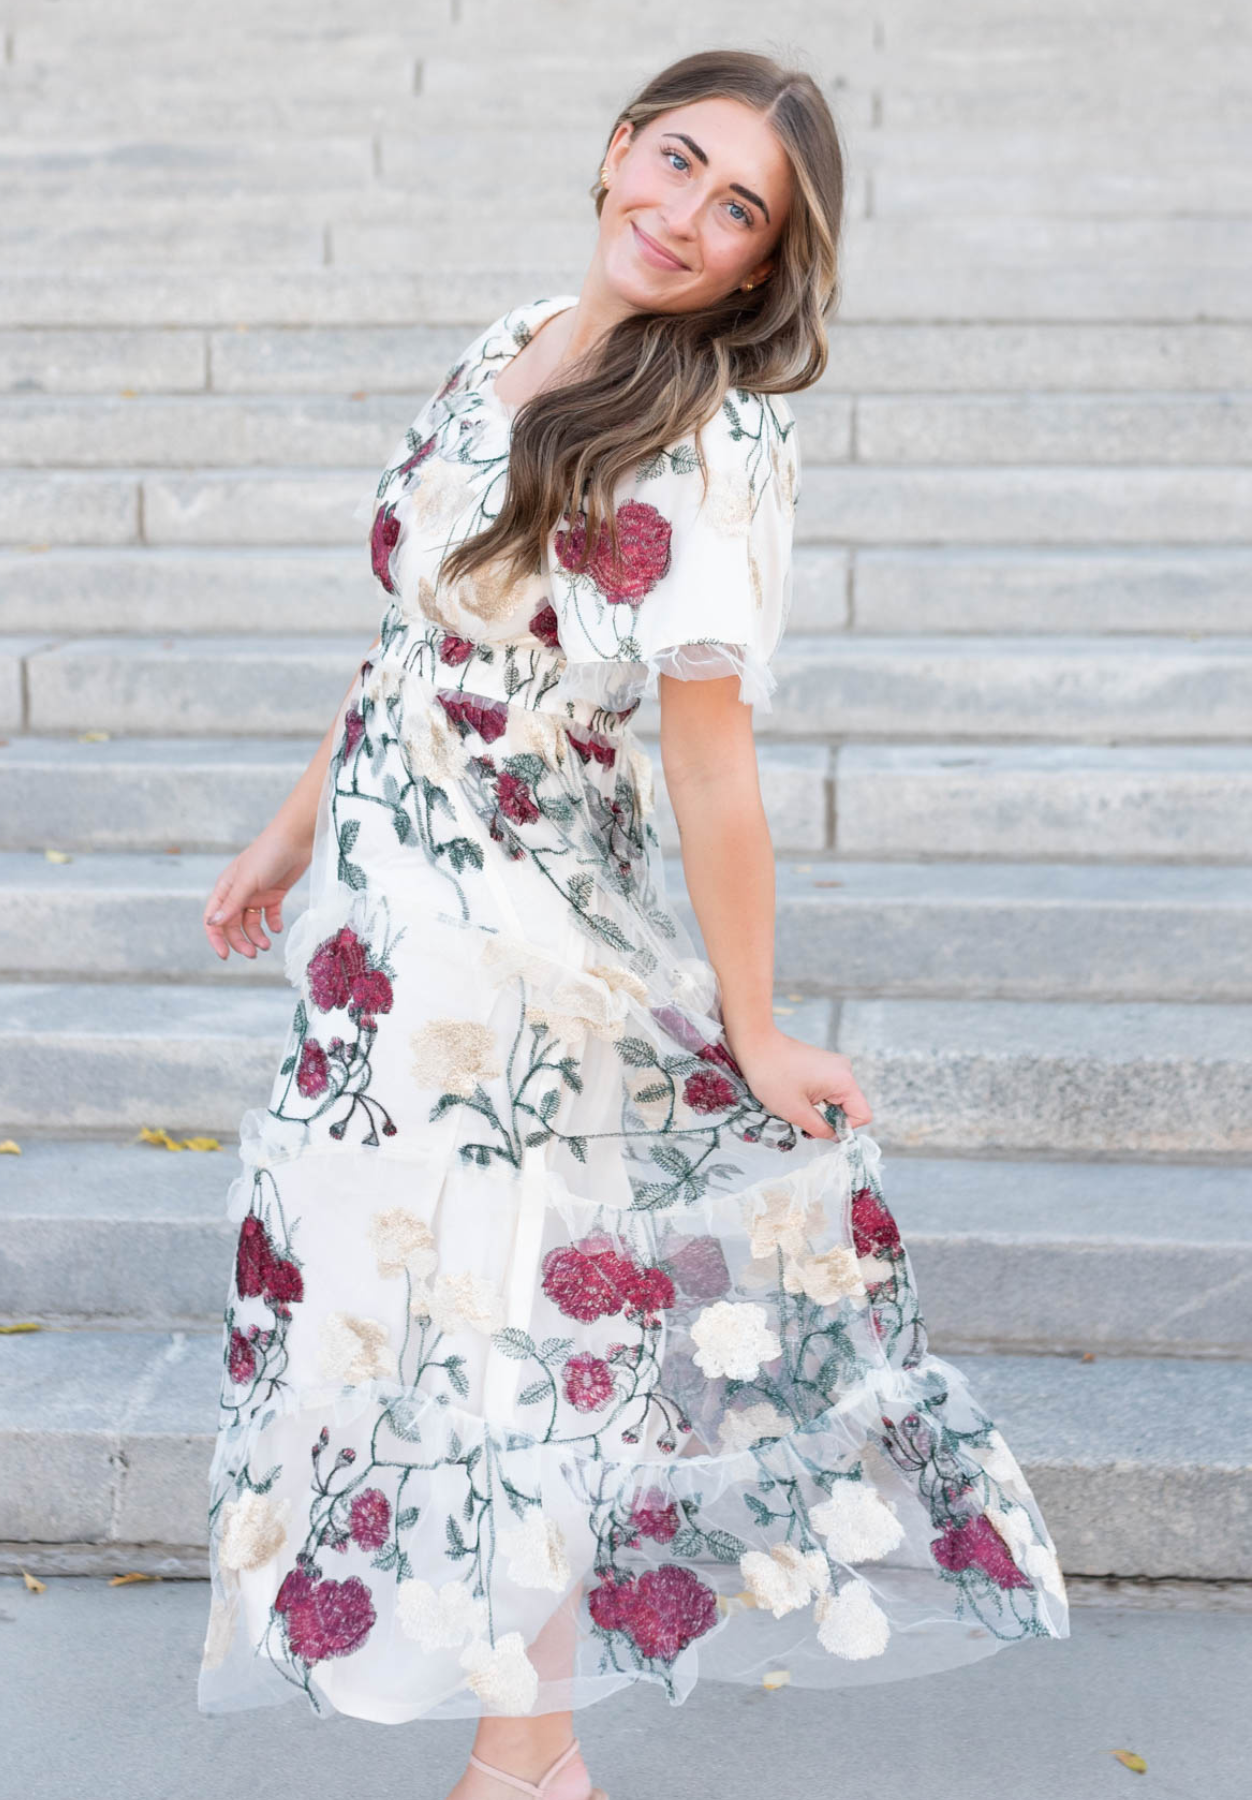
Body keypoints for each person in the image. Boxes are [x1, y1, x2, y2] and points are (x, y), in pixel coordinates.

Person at [195, 48, 1068, 1800]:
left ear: (758, 266)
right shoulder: (511, 333)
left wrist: (753, 1023)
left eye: (732, 207)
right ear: (614, 152)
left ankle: (526, 1763)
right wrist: (286, 838)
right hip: (376, 943)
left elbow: (713, 770)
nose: (680, 214)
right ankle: (530, 1760)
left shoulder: (713, 435)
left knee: (515, 1331)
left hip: (515, 940)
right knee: (410, 1314)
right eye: (672, 164)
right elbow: (408, 645)